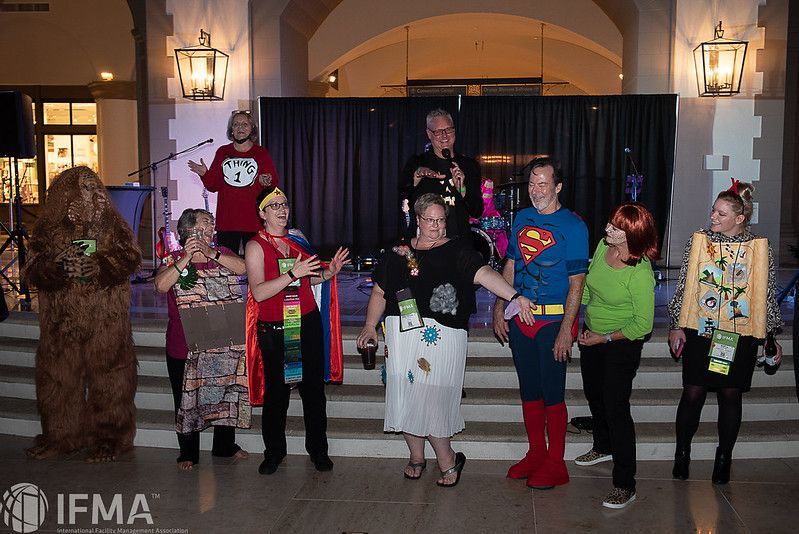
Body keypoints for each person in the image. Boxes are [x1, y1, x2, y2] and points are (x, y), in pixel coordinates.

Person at [356, 193, 535, 487]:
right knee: (405, 395)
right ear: (417, 220)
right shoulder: (397, 252)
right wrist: (369, 326)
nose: (437, 226)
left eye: (441, 220)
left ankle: (447, 459)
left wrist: (514, 296)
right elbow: (379, 291)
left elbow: (485, 273)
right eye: (430, 220)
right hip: (402, 333)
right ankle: (416, 457)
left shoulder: (457, 249)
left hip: (442, 334)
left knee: (434, 399)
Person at [668, 179, 783, 484]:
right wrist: (676, 325)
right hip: (700, 329)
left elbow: (766, 293)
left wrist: (770, 336)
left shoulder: (759, 248)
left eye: (721, 213)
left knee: (730, 395)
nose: (713, 217)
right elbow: (684, 286)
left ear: (740, 218)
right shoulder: (699, 241)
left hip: (737, 333)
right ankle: (682, 452)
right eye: (713, 210)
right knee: (693, 391)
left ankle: (724, 458)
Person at [493, 156, 589, 490]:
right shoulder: (522, 217)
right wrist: (499, 305)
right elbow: (511, 263)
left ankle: (556, 462)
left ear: (558, 186)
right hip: (521, 317)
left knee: (552, 394)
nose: (535, 190)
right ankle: (536, 452)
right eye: (532, 184)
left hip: (553, 321)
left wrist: (566, 329)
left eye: (543, 184)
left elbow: (577, 283)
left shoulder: (574, 226)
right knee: (529, 390)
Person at [245, 186, 350, 475]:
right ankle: (274, 452)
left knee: (314, 392)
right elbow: (259, 292)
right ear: (262, 213)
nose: (282, 210)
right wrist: (292, 273)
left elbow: (311, 281)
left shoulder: (296, 243)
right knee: (277, 394)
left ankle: (319, 451)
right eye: (274, 205)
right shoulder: (255, 246)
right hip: (276, 328)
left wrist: (330, 273)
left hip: (305, 322)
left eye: (284, 204)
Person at [574, 203, 659, 509]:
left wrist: (604, 337)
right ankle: (602, 446)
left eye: (614, 228)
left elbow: (643, 325)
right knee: (594, 394)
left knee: (615, 406)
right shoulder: (603, 245)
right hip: (593, 333)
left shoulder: (639, 272)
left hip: (622, 341)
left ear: (632, 236)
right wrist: (577, 316)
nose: (606, 230)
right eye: (609, 224)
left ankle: (625, 483)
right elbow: (589, 288)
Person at [154, 208, 250, 470]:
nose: (211, 228)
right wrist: (187, 257)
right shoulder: (173, 258)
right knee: (185, 398)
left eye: (212, 225)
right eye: (205, 224)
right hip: (183, 344)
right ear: (188, 230)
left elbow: (244, 269)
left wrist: (211, 254)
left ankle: (224, 446)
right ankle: (188, 452)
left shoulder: (222, 254)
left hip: (221, 341)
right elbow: (161, 285)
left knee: (224, 393)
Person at [188, 110, 279, 255]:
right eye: (236, 124)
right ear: (231, 130)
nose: (240, 128)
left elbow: (273, 184)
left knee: (255, 263)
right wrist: (204, 174)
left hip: (254, 221)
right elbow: (213, 186)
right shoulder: (223, 152)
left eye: (244, 124)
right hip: (228, 221)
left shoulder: (261, 153)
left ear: (252, 129)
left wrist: (266, 181)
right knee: (227, 264)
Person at [400, 109, 483, 240]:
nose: (444, 136)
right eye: (438, 132)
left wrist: (462, 189)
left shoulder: (469, 165)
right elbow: (403, 194)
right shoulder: (417, 163)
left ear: (454, 131)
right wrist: (415, 178)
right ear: (429, 134)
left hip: (460, 244)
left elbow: (477, 211)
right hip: (426, 244)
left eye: (448, 130)